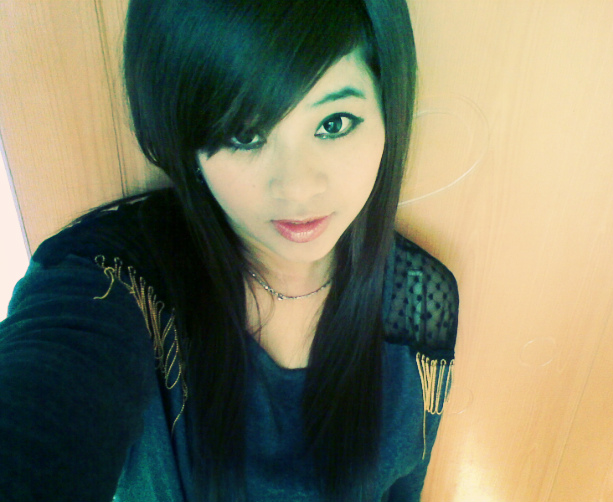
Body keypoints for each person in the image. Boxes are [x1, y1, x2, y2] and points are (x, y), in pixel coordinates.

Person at [0, 0, 458, 500]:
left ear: (387, 110)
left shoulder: (418, 297)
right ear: (185, 139)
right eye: (245, 133)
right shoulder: (117, 283)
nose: (297, 188)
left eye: (334, 123)